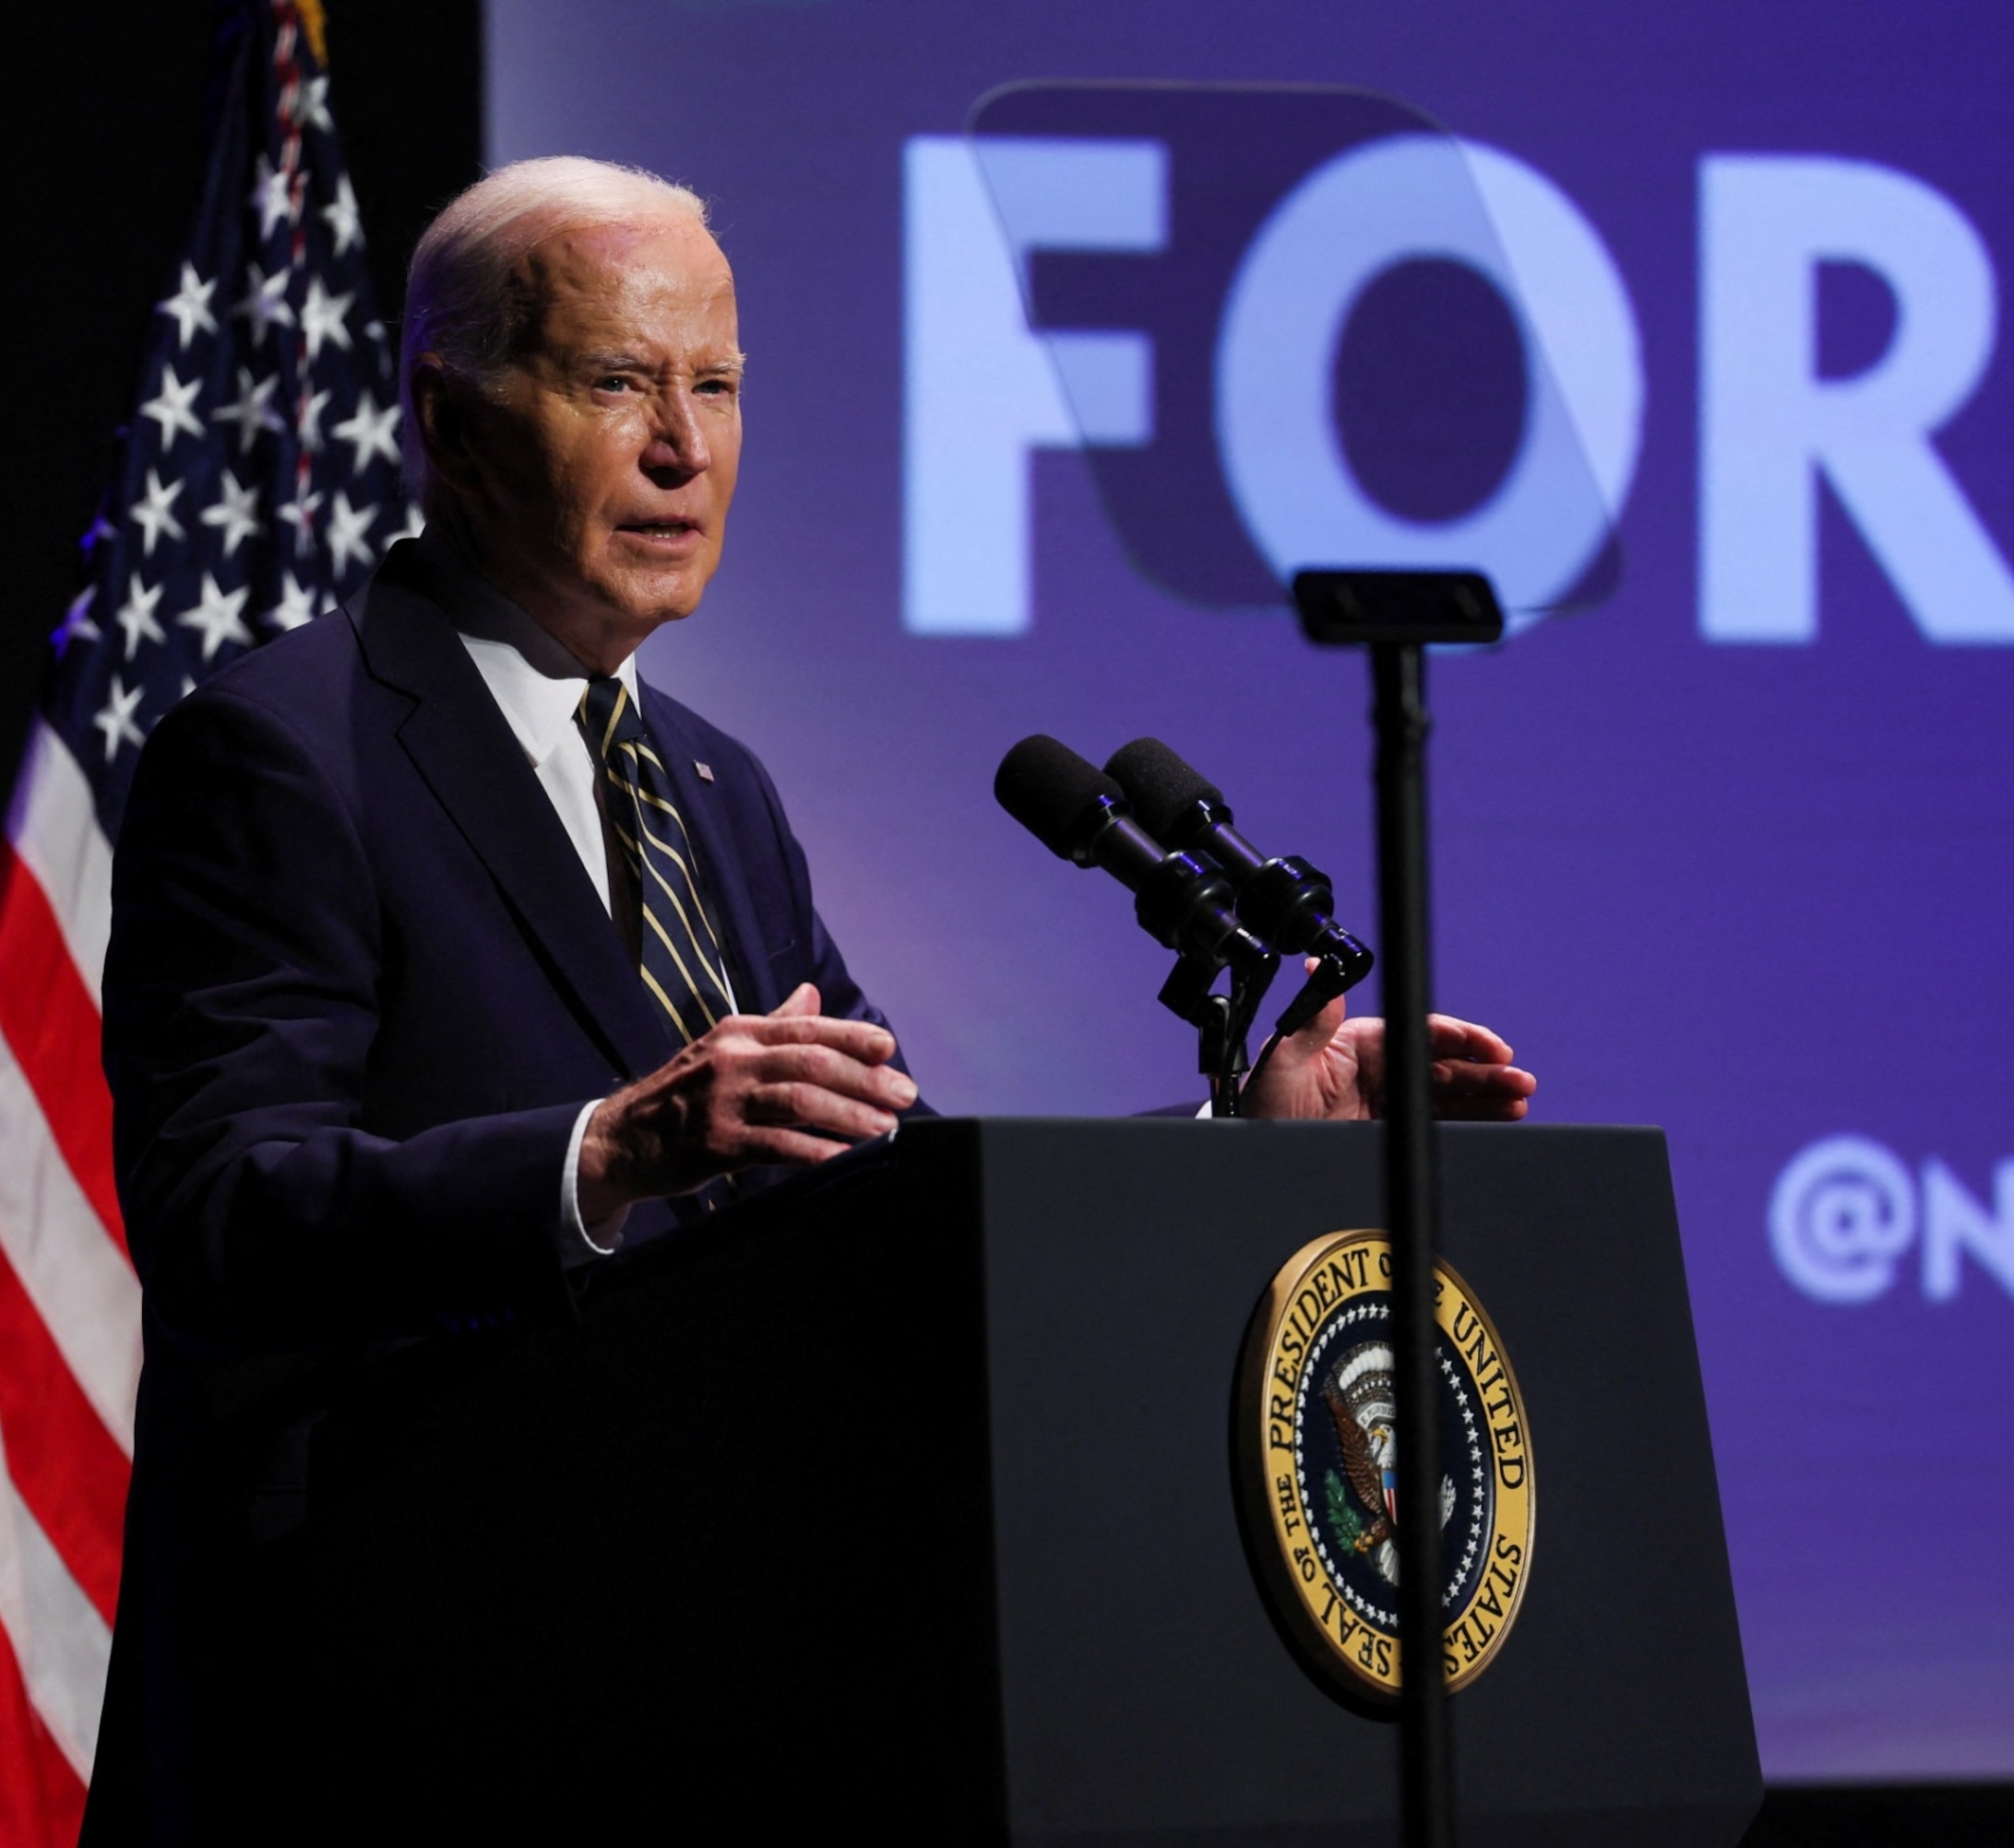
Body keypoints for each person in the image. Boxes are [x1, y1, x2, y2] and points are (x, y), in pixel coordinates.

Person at [83, 158, 1534, 1841]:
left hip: (704, 1715)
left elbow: (897, 1210)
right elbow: (219, 1217)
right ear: (450, 419)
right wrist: (605, 1155)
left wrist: (1234, 1137)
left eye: (716, 387)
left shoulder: (714, 788)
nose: (684, 449)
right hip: (395, 1730)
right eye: (620, 382)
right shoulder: (283, 749)